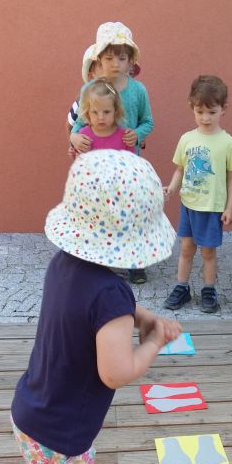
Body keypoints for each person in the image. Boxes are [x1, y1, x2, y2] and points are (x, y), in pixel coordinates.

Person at [11, 150, 179, 464]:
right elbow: (117, 371)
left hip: (41, 410)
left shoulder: (66, 265)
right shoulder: (111, 296)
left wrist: (139, 316)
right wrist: (153, 340)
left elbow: (103, 309)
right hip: (58, 431)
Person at [68, 23, 154, 284]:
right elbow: (80, 123)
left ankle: (134, 262)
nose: (115, 63)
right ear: (99, 61)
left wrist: (137, 134)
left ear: (131, 61)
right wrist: (74, 137)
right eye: (109, 58)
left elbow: (148, 122)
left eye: (121, 58)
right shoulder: (90, 90)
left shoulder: (138, 91)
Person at [163, 75, 232, 314]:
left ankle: (209, 290)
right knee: (186, 248)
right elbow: (180, 168)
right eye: (200, 112)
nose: (206, 118)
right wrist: (172, 187)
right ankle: (182, 287)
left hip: (211, 208)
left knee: (208, 251)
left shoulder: (228, 143)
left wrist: (229, 207)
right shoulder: (186, 139)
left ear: (223, 109)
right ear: (192, 107)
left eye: (212, 112)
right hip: (189, 205)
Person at [76, 78, 133, 152]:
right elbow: (79, 158)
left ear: (115, 111)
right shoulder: (83, 135)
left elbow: (131, 158)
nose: (101, 117)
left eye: (106, 112)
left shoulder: (125, 137)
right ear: (88, 113)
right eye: (95, 112)